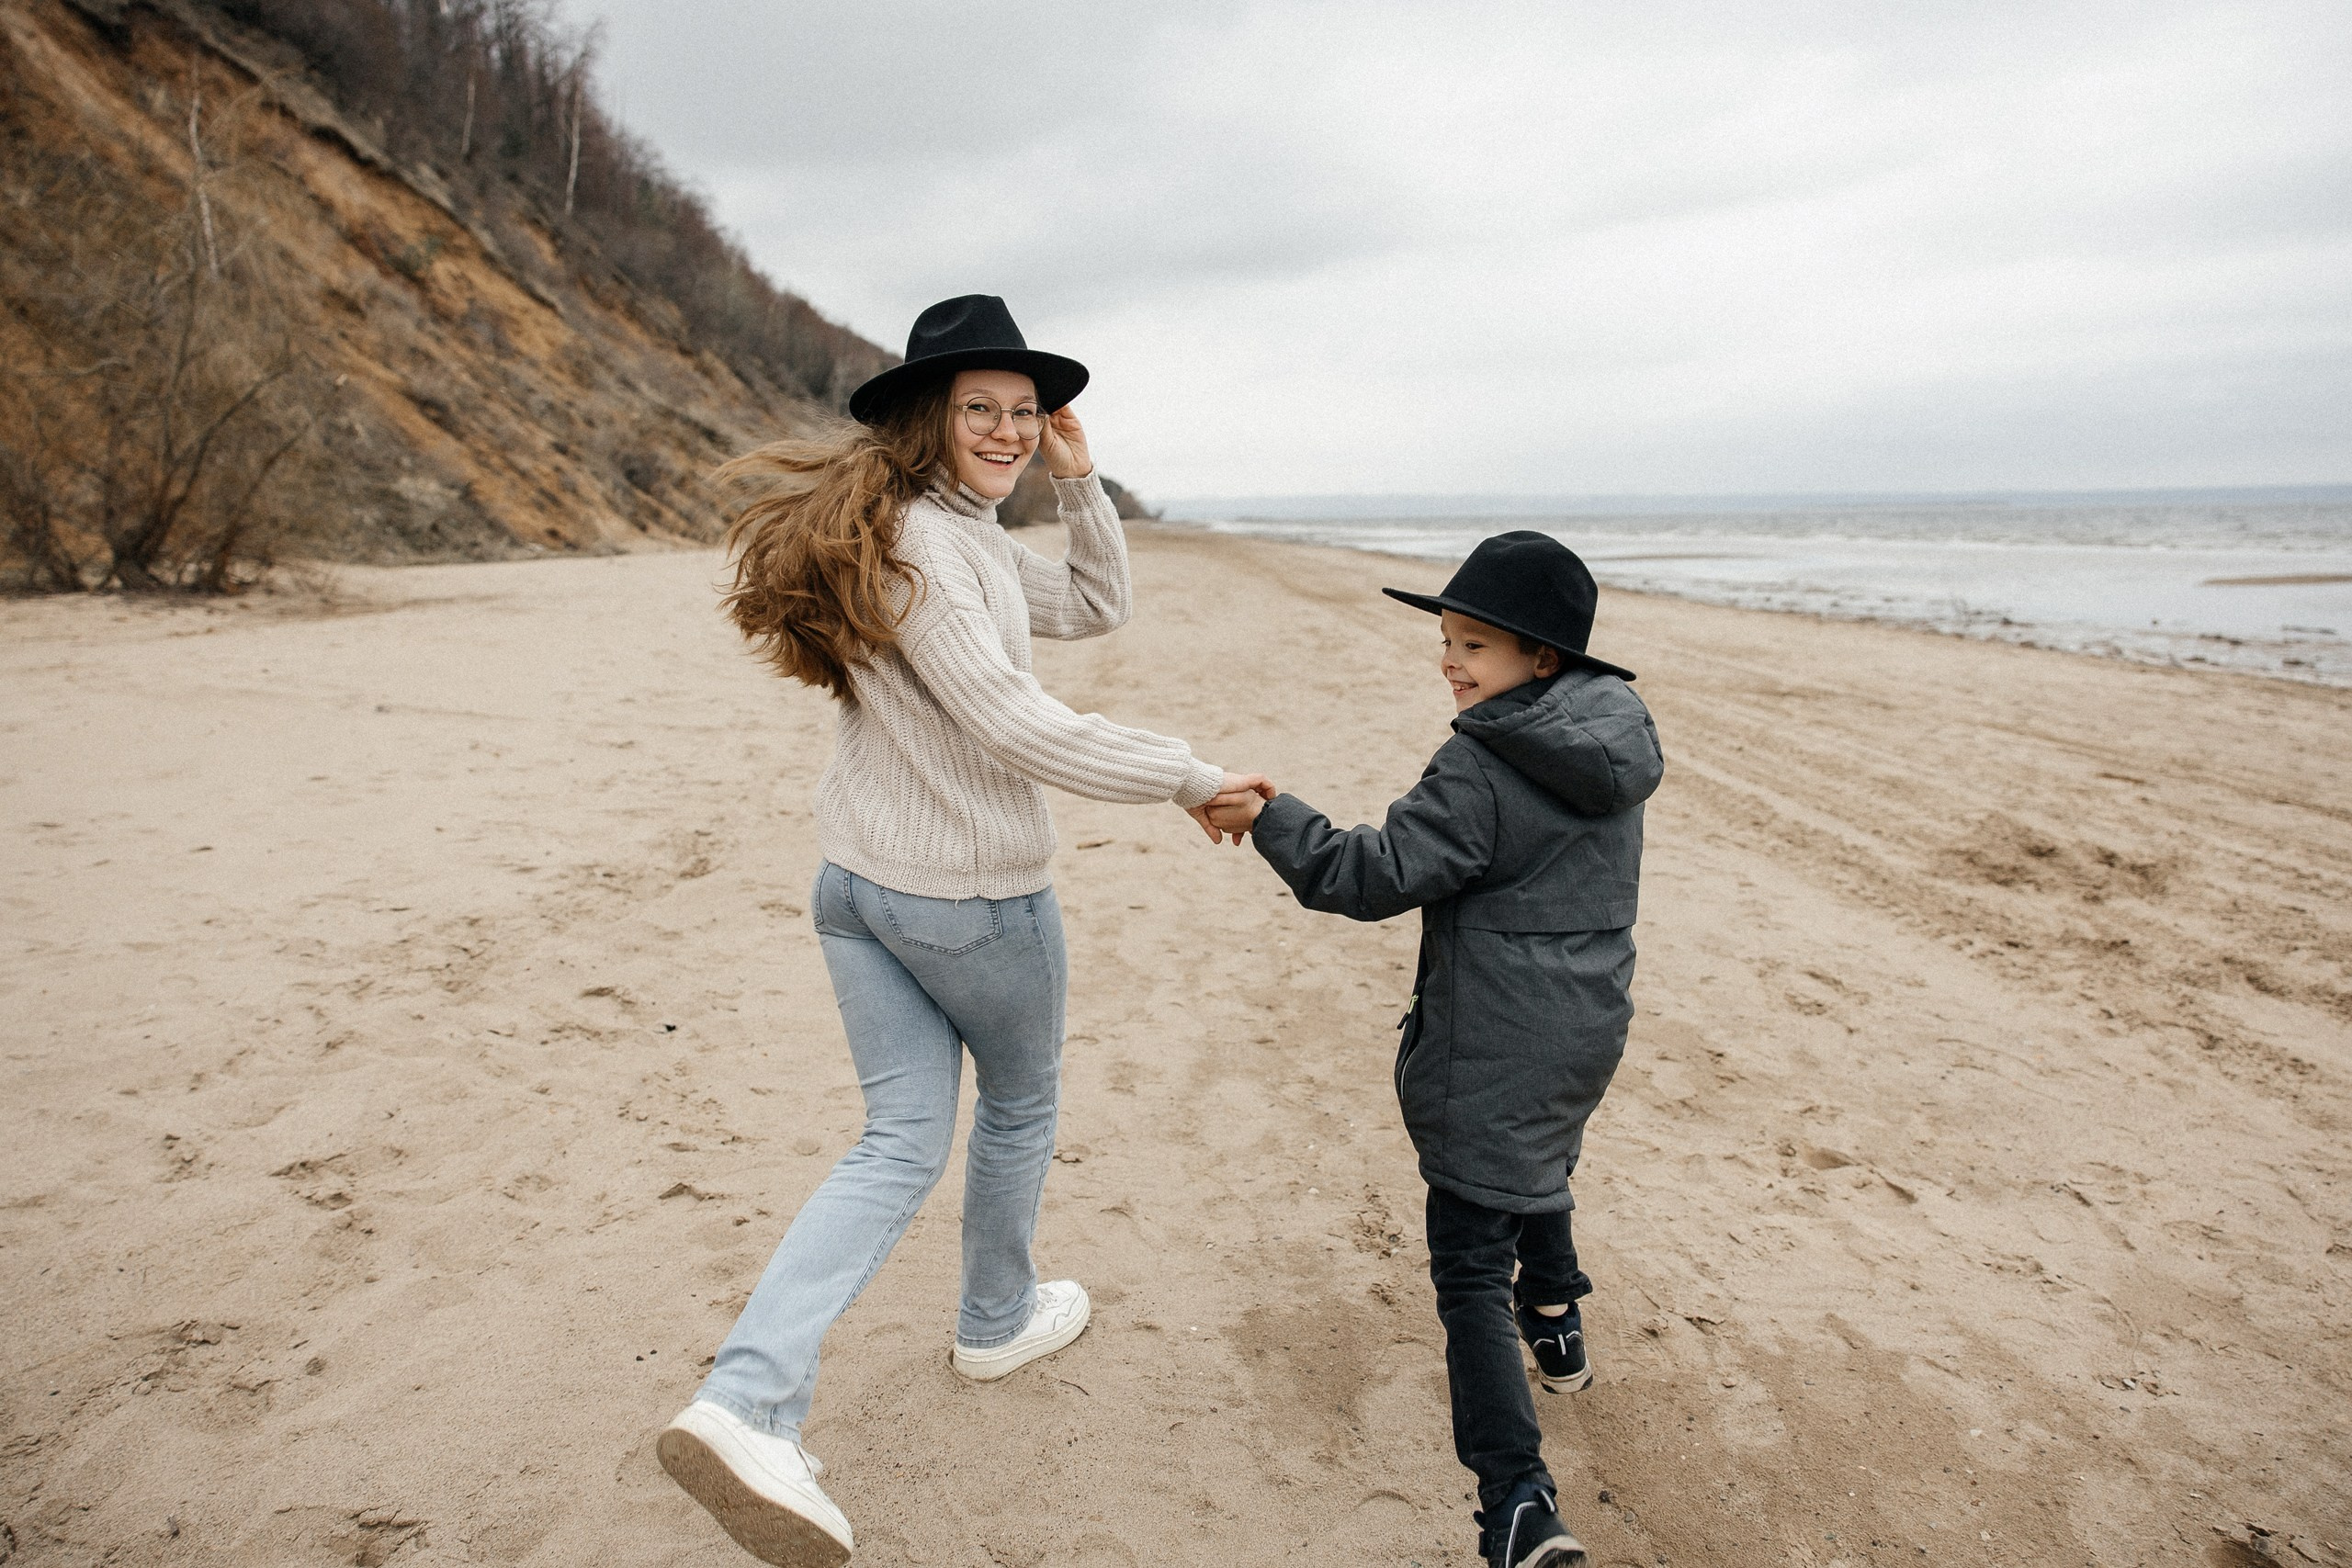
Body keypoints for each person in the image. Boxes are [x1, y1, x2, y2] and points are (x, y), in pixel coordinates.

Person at [657, 295, 1269, 1568]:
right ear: (924, 420)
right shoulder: (932, 554)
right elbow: (1017, 723)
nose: (1007, 430)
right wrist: (1188, 775)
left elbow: (1094, 604)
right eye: (979, 408)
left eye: (1024, 411)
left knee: (895, 1141)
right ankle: (989, 1318)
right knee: (1019, 1102)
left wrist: (1078, 481)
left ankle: (746, 1399)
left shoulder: (931, 532)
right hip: (966, 896)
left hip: (858, 886)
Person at [1204, 532, 1663, 1568]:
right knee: (1536, 1160)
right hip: (1588, 1019)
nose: (1450, 661)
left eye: (1476, 645)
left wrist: (1272, 816)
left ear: (1541, 658)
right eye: (1447, 639)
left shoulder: (1485, 762)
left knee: (1467, 1262)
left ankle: (1517, 1502)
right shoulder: (1615, 741)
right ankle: (1556, 1317)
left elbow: (1365, 877)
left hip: (1495, 1033)